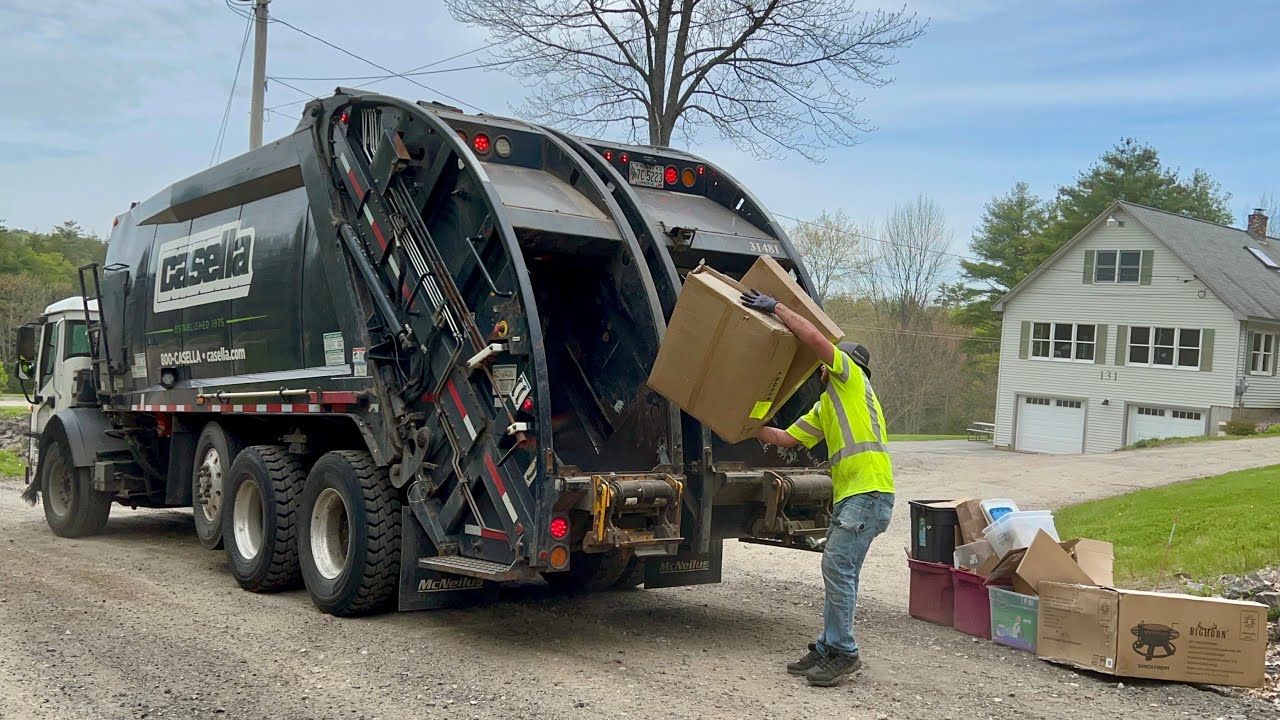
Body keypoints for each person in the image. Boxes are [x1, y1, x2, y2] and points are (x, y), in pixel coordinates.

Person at [740, 289, 895, 688]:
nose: (822, 367)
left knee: (837, 568)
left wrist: (775, 307)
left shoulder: (852, 378)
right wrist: (737, 421)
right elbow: (785, 439)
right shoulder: (828, 407)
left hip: (869, 493)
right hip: (857, 497)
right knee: (840, 571)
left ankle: (843, 652)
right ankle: (829, 646)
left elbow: (814, 339)